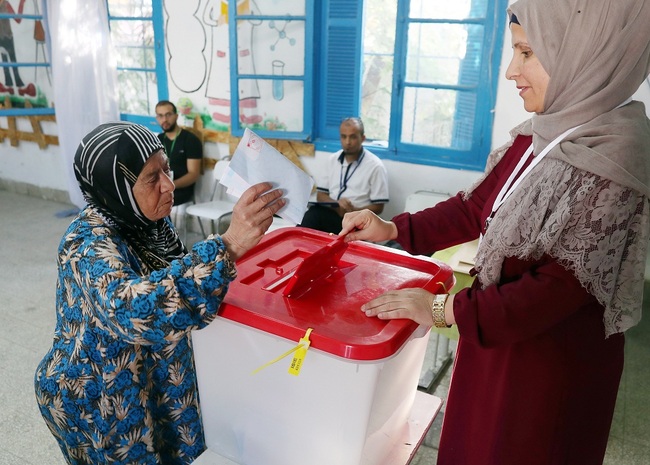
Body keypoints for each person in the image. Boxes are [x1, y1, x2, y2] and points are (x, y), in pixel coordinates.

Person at [340, 1, 650, 464]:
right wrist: (391, 229)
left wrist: (441, 309)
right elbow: (475, 209)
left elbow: (555, 290)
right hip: (496, 341)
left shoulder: (612, 158)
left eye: (527, 52)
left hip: (546, 371)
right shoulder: (543, 134)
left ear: (585, 53)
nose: (510, 71)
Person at [34, 122, 285, 465]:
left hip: (153, 384)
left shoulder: (148, 223)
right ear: (116, 186)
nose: (169, 185)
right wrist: (229, 244)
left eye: (166, 168)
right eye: (152, 178)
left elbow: (174, 275)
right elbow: (136, 311)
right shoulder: (86, 244)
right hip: (101, 402)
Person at [300, 117, 389, 234]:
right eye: (343, 136)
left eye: (353, 137)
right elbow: (321, 195)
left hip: (358, 219)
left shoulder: (375, 166)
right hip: (333, 213)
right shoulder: (332, 159)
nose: (347, 142)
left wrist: (355, 211)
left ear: (362, 138)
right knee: (311, 215)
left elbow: (378, 207)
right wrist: (336, 205)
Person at [155, 100, 203, 208]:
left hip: (181, 189)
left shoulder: (190, 140)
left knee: (156, 201)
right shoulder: (158, 139)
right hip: (162, 188)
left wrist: (170, 185)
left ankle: (166, 225)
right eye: (160, 116)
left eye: (168, 115)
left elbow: (193, 175)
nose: (164, 120)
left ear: (176, 116)